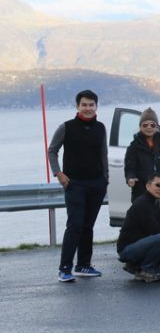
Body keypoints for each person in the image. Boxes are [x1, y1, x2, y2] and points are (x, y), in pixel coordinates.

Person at [47, 89, 108, 282]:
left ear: (96, 106)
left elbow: (103, 155)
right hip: (75, 183)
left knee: (88, 226)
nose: (88, 108)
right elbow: (52, 150)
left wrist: (105, 179)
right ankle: (65, 268)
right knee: (75, 225)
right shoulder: (66, 127)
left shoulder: (101, 128)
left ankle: (83, 265)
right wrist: (58, 173)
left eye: (91, 105)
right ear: (78, 106)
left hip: (96, 183)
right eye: (84, 105)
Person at [116, 173, 160, 283]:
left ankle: (135, 266)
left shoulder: (156, 204)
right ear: (148, 186)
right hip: (127, 249)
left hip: (139, 245)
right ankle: (146, 270)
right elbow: (154, 230)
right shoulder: (143, 203)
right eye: (158, 185)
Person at [124, 108, 160, 202]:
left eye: (152, 125)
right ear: (140, 127)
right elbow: (129, 168)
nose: (149, 127)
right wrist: (130, 178)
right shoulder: (133, 146)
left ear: (157, 126)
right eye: (145, 125)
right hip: (141, 194)